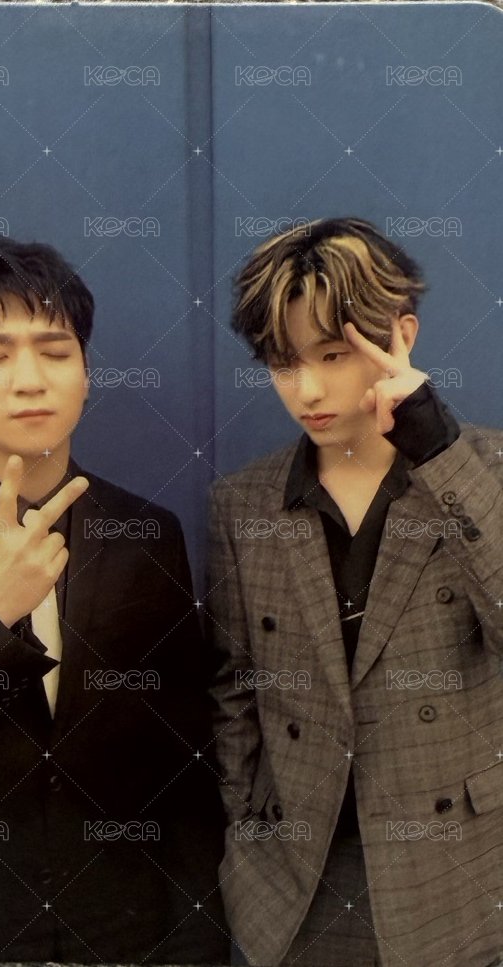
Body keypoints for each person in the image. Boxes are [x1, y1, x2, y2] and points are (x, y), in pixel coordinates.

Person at [0, 236, 228, 964]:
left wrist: (197, 938)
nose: (30, 380)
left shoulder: (147, 532)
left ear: (85, 373)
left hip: (120, 927)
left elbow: (182, 758)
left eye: (55, 351)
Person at [206, 217, 503, 967]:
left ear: (401, 334)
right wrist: (246, 829)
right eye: (283, 363)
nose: (306, 389)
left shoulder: (485, 472)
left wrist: (436, 450)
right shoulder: (243, 503)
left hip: (457, 874)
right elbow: (235, 687)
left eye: (333, 355)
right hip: (300, 883)